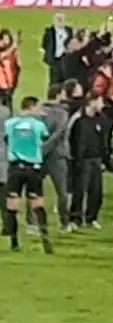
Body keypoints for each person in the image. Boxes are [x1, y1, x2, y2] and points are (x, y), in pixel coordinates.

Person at [3, 96, 52, 253]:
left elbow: (6, 139)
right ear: (30, 107)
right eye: (37, 108)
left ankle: (14, 243)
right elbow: (45, 137)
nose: (40, 111)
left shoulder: (9, 123)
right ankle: (46, 241)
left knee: (12, 205)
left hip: (15, 168)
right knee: (37, 203)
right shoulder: (38, 125)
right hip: (33, 168)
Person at [68, 94, 109, 228]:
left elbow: (103, 140)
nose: (102, 105)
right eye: (100, 101)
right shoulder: (78, 119)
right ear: (91, 102)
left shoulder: (101, 119)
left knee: (96, 190)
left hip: (96, 159)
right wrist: (74, 158)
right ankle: (75, 218)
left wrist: (105, 159)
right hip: (81, 160)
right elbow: (70, 138)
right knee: (79, 190)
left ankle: (91, 218)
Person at [39, 84, 73, 231]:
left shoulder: (39, 110)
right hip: (57, 156)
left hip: (39, 155)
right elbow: (58, 134)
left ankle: (32, 222)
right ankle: (64, 223)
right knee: (62, 191)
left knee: (35, 190)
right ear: (59, 95)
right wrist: (46, 148)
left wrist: (40, 150)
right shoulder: (62, 113)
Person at [40, 15, 70, 87]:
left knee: (66, 80)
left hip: (66, 59)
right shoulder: (49, 31)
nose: (60, 21)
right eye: (58, 19)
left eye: (61, 19)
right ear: (54, 21)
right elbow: (44, 45)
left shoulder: (68, 30)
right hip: (55, 60)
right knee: (54, 81)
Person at [0, 29, 19, 107]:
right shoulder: (8, 50)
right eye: (4, 39)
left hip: (9, 84)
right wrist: (13, 47)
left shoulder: (13, 52)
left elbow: (17, 67)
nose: (6, 41)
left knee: (8, 107)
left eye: (8, 39)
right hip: (2, 84)